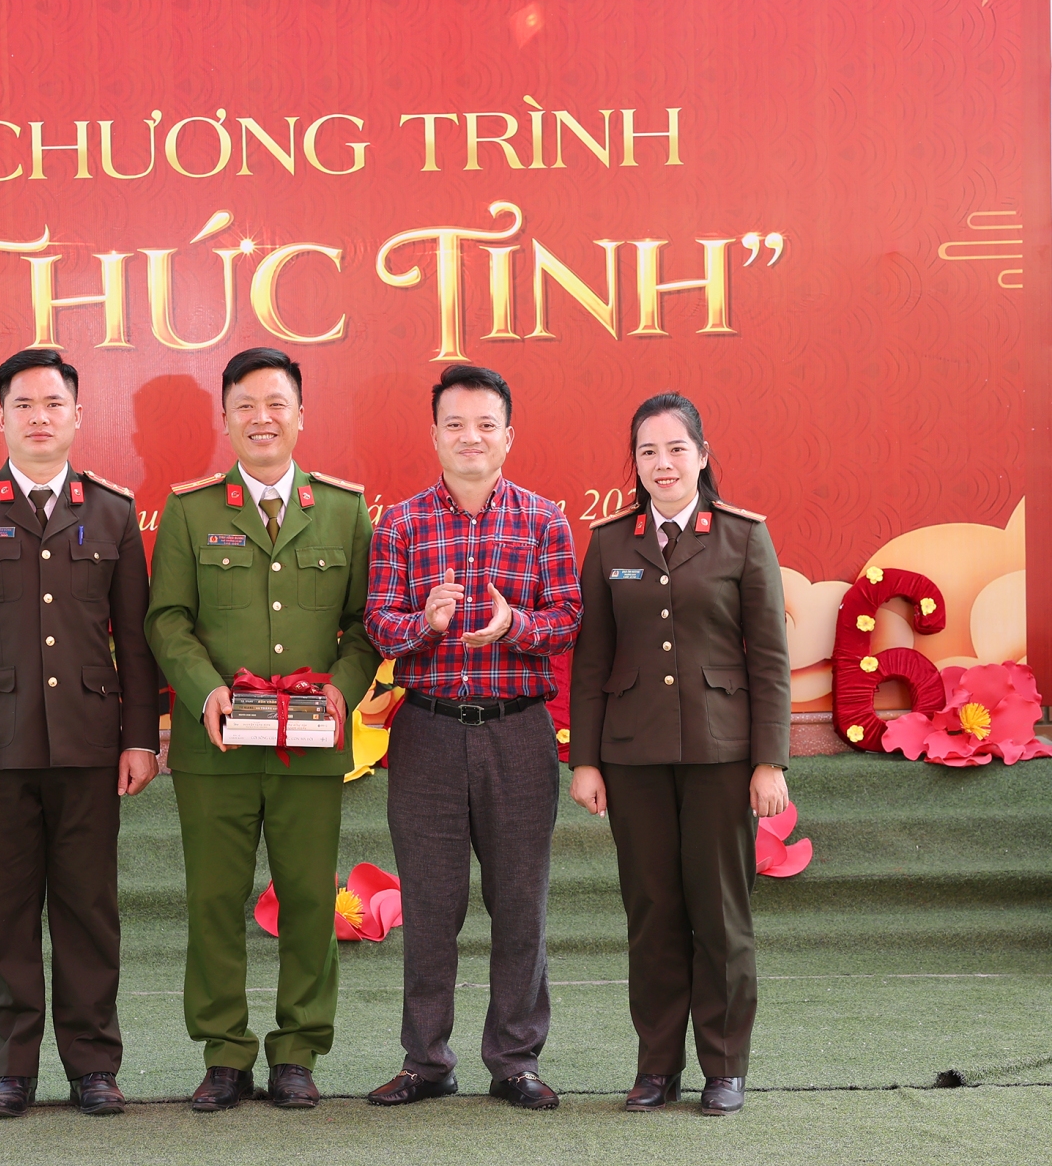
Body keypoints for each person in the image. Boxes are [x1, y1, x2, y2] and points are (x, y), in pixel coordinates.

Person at [0, 349, 161, 1119]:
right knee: (8, 913)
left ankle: (94, 1064)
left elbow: (135, 637)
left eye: (54, 403)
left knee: (89, 910)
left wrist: (141, 736)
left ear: (78, 416)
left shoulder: (114, 512)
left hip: (90, 746)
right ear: (1, 418)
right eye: (23, 405)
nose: (39, 417)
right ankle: (14, 1069)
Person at [145, 347, 381, 1112]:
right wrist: (205, 691)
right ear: (225, 418)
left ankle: (298, 1051)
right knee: (214, 900)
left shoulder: (342, 509)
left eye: (276, 403)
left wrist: (343, 691)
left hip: (309, 746)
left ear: (300, 414)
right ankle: (224, 1053)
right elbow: (167, 618)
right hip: (216, 747)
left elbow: (364, 625)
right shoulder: (191, 510)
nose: (261, 418)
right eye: (245, 404)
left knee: (310, 898)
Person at [363, 364, 582, 1111]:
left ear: (508, 435)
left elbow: (567, 619)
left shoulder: (544, 521)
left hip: (518, 732)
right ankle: (426, 1061)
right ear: (434, 435)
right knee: (430, 906)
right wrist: (424, 623)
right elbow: (378, 624)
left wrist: (514, 624)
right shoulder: (399, 523)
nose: (470, 437)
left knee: (520, 904)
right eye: (455, 424)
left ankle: (514, 1058)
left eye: (486, 424)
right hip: (426, 731)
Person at [568, 392, 790, 1117]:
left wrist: (770, 760)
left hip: (722, 755)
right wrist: (585, 760)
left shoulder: (742, 537)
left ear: (701, 454)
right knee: (653, 911)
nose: (662, 463)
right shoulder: (610, 542)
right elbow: (592, 660)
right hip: (632, 757)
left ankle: (723, 1067)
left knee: (721, 913)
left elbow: (770, 660)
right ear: (634, 462)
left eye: (675, 448)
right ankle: (656, 1068)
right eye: (647, 451)